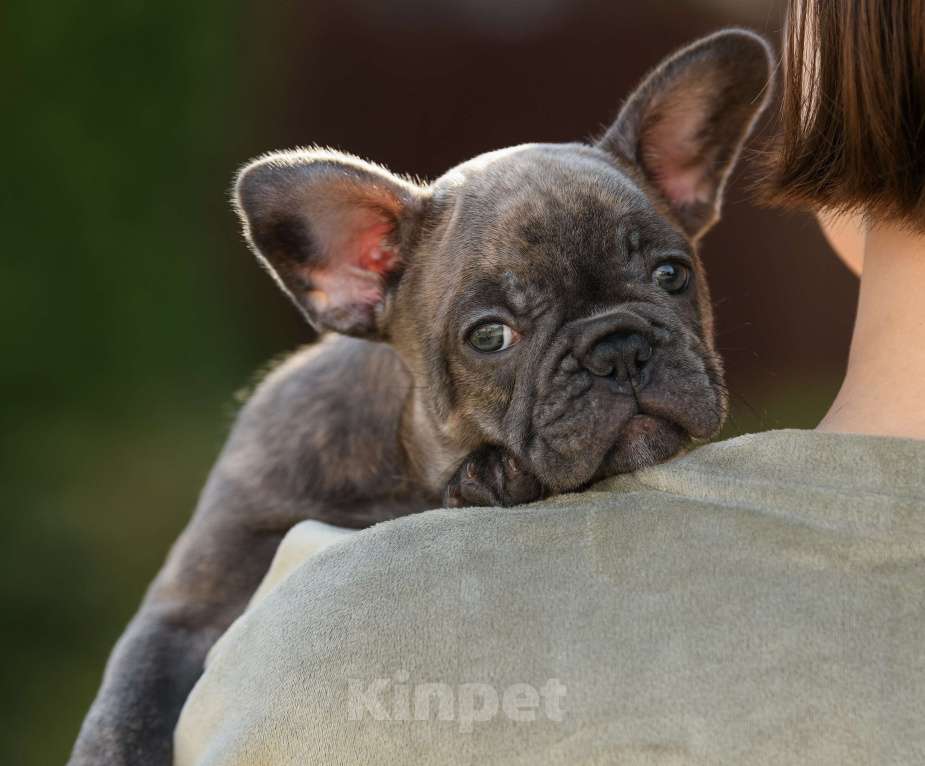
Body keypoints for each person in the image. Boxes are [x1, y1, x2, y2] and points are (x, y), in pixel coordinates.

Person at [174, 3, 925, 764]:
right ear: (361, 278)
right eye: (495, 336)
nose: (619, 360)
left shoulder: (338, 644)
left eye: (666, 277)